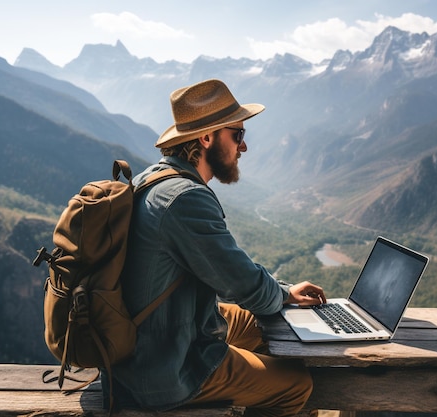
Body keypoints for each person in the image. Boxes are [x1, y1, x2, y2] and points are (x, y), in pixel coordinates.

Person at [111, 79, 327, 417]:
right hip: (164, 365)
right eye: (238, 135)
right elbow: (242, 284)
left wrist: (283, 294)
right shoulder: (185, 199)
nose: (243, 147)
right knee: (296, 385)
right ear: (206, 137)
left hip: (151, 335)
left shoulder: (152, 179)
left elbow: (237, 278)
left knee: (270, 324)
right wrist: (281, 294)